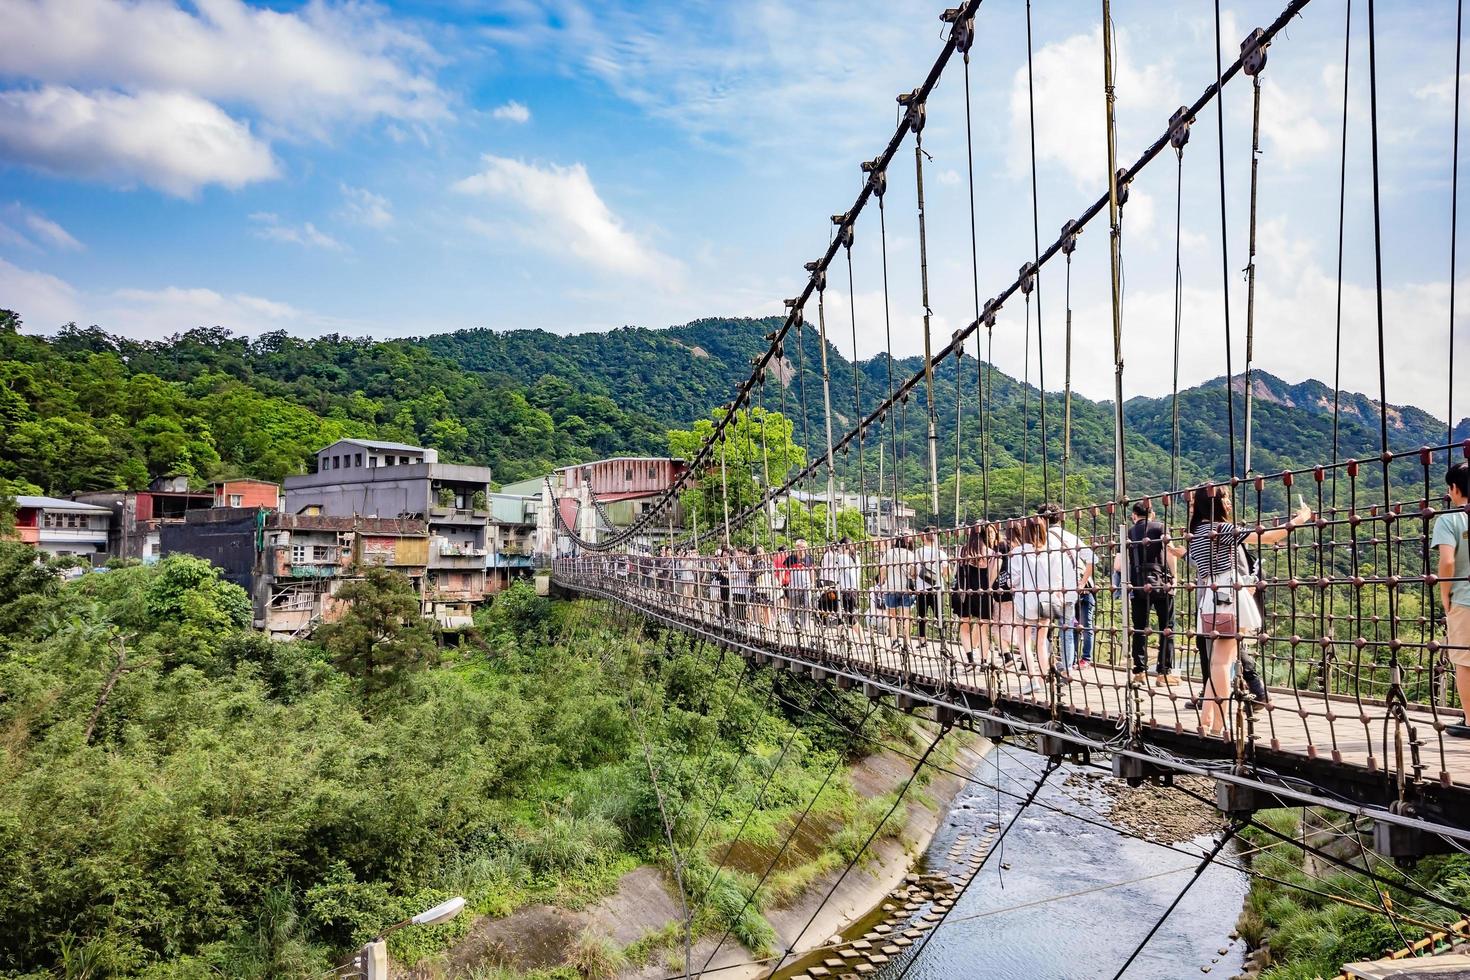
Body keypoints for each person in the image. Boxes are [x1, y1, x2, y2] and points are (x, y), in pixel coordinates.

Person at [1187, 484, 1311, 737]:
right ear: (1214, 504)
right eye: (1226, 499)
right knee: (1223, 661)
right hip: (1228, 594)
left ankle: (1207, 719)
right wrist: (1300, 519)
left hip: (1212, 596)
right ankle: (1222, 724)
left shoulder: (1196, 531)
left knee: (1219, 661)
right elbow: (1269, 536)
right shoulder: (1221, 529)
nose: (1229, 504)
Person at [1115, 500, 1185, 686]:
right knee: (1167, 628)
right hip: (1162, 583)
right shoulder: (1161, 527)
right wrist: (1175, 578)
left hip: (1138, 586)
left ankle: (1139, 672)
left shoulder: (1129, 533)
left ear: (1134, 515)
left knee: (1140, 629)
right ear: (1152, 514)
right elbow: (1170, 552)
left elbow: (1120, 565)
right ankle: (1163, 674)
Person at [1433, 461, 1470, 737]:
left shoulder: (1449, 520)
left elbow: (1447, 562)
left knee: (1465, 662)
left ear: (1455, 489)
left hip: (1465, 600)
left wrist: (1445, 594)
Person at [1008, 516, 1062, 687]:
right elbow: (1058, 578)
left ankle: (1032, 679)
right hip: (1047, 601)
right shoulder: (1052, 551)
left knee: (1024, 641)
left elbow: (1013, 580)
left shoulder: (1019, 552)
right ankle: (1043, 677)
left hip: (1026, 602)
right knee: (1041, 642)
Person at [1041, 503, 1094, 674]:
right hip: (1069, 593)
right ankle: (1068, 669)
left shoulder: (1041, 539)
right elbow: (1092, 558)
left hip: (1047, 592)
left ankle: (1047, 664)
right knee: (1067, 630)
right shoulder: (1071, 537)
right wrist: (1081, 583)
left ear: (1042, 519)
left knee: (1042, 629)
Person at [952, 522, 998, 670]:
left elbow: (956, 572)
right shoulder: (991, 553)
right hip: (983, 593)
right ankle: (984, 661)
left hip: (964, 592)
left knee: (964, 625)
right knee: (984, 628)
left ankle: (970, 659)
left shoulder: (962, 551)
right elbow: (992, 577)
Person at [913, 526, 950, 642]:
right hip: (937, 588)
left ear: (923, 537)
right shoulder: (941, 553)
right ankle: (943, 638)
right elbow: (945, 573)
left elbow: (914, 572)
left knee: (921, 616)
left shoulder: (917, 552)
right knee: (939, 614)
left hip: (921, 587)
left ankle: (923, 640)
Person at [880, 534, 916, 642]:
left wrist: (882, 583)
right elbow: (913, 573)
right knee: (907, 616)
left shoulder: (889, 553)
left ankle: (895, 639)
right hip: (905, 588)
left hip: (891, 587)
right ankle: (907, 640)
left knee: (892, 615)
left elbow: (882, 569)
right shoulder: (910, 554)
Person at [822, 537, 863, 634]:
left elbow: (833, 561)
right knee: (841, 613)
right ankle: (841, 635)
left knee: (849, 617)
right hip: (854, 589)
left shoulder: (841, 558)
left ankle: (862, 640)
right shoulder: (856, 557)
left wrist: (834, 549)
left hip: (845, 591)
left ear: (844, 546)